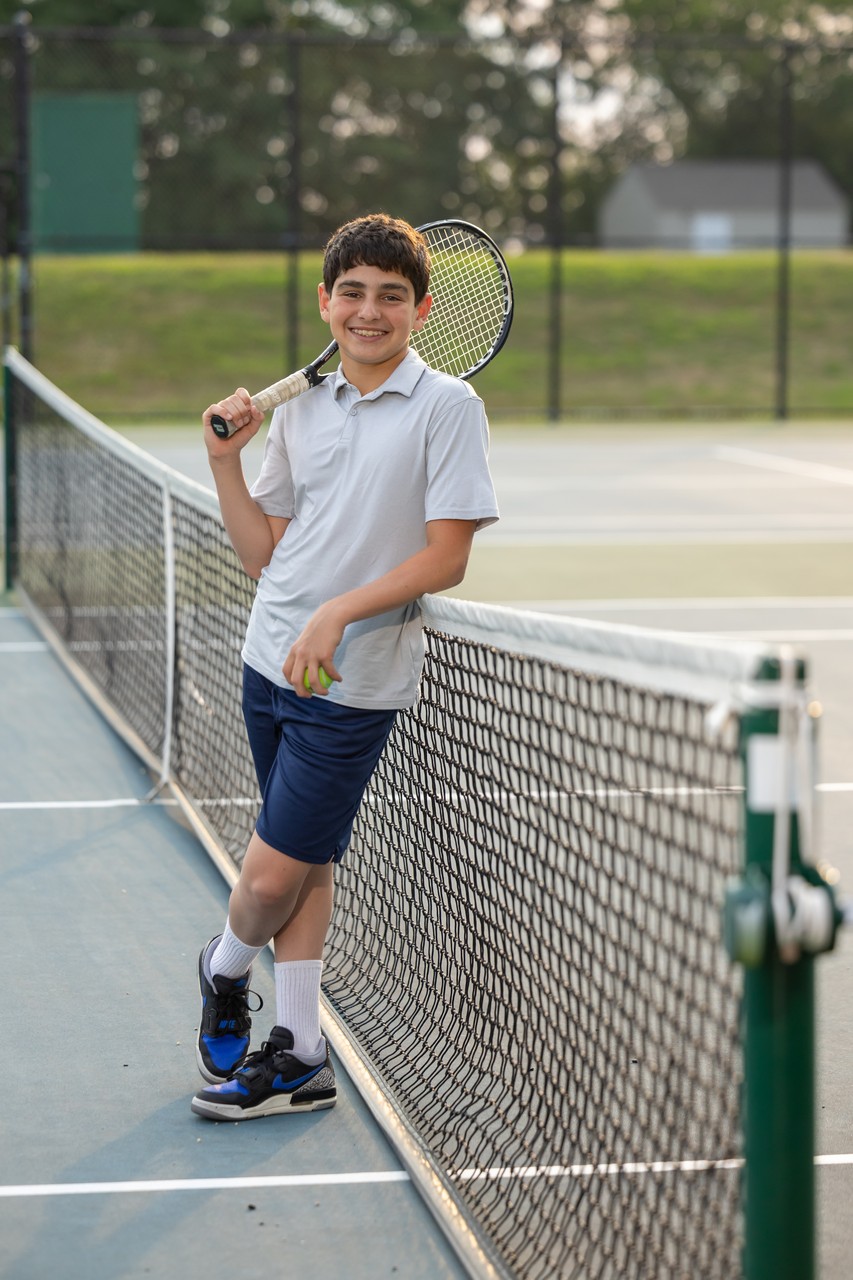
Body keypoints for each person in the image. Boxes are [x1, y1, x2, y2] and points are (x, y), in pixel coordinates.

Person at [191, 213, 499, 1121]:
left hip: (351, 685)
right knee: (311, 864)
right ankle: (301, 1053)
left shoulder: (449, 409)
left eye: (391, 297)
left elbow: (446, 556)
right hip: (266, 658)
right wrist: (224, 463)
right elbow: (263, 553)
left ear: (421, 310)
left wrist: (338, 611)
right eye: (353, 293)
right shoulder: (302, 409)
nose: (370, 311)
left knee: (271, 878)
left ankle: (220, 967)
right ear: (325, 302)